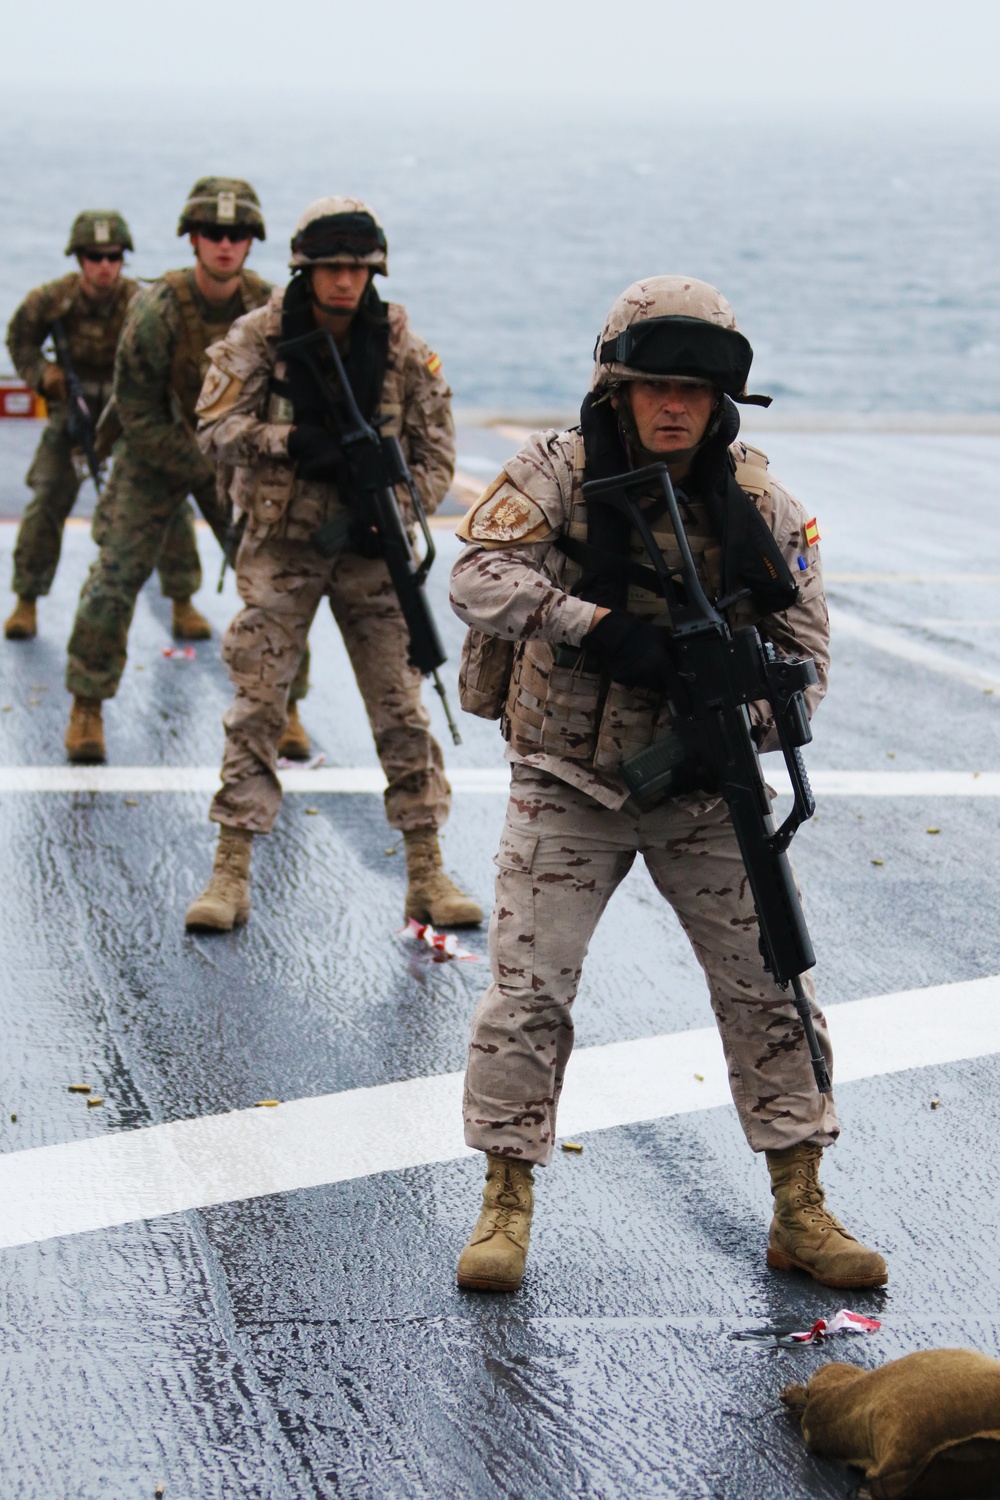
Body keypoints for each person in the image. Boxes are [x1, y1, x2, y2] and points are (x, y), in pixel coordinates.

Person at [449, 276, 888, 1294]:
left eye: (691, 388)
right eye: (654, 386)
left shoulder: (761, 506)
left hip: (703, 791)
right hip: (569, 780)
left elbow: (805, 668)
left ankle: (800, 1203)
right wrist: (599, 630)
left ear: (720, 397)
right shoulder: (557, 473)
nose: (673, 406)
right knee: (527, 996)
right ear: (618, 388)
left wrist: (733, 708)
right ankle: (503, 1202)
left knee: (772, 984)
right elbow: (476, 576)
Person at [184, 196, 482, 933]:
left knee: (400, 710)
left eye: (357, 268)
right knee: (258, 704)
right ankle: (230, 871)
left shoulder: (402, 347)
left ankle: (426, 869)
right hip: (283, 547)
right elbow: (215, 429)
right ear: (306, 271)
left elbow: (436, 454)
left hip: (371, 552)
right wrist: (291, 445)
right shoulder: (261, 336)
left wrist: (393, 513)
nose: (345, 282)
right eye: (331, 268)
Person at [62, 178, 274, 762]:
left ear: (251, 243)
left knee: (274, 583)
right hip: (152, 449)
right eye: (213, 233)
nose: (225, 245)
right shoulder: (156, 308)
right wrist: (198, 467)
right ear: (192, 239)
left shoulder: (271, 308)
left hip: (232, 456)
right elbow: (135, 407)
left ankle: (286, 708)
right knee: (115, 576)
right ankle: (88, 702)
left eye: (236, 235)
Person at [4, 210, 202, 641]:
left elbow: (174, 354)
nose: (104, 265)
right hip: (72, 415)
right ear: (79, 259)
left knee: (171, 504)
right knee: (46, 500)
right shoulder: (51, 301)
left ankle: (183, 600)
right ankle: (27, 597)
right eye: (94, 256)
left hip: (130, 416)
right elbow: (19, 338)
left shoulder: (144, 301)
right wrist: (44, 376)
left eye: (113, 255)